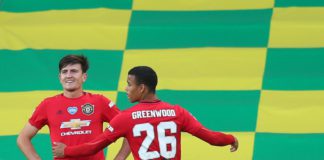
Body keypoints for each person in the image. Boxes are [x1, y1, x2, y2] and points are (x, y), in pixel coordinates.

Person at [52, 66, 239, 160]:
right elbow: (211, 138)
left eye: (129, 84)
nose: (126, 88)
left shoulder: (125, 118)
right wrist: (230, 138)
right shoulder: (177, 112)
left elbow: (94, 146)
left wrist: (66, 150)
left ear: (141, 88)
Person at [17, 55, 130, 160]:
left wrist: (119, 158)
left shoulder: (99, 102)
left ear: (84, 77)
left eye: (74, 71)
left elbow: (130, 128)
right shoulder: (47, 105)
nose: (69, 75)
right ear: (60, 77)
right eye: (64, 72)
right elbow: (22, 138)